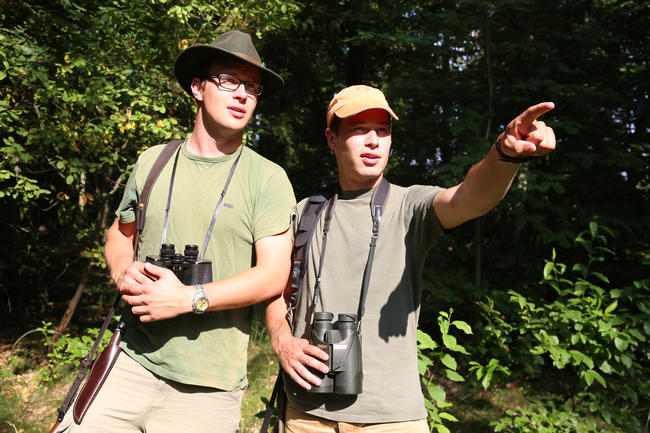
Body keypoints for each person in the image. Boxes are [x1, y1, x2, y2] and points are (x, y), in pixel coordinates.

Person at [265, 84, 556, 432]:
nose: (373, 140)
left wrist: (505, 155)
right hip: (306, 416)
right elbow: (274, 289)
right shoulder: (305, 212)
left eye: (383, 131)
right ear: (331, 139)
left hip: (392, 419)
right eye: (359, 130)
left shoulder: (410, 206)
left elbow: (469, 198)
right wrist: (281, 340)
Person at [57, 30, 295, 433]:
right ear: (198, 87)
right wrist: (121, 270)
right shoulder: (153, 161)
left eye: (252, 87)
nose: (242, 94)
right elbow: (120, 233)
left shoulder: (268, 179)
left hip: (207, 388)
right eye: (229, 80)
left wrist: (190, 298)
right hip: (128, 361)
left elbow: (274, 274)